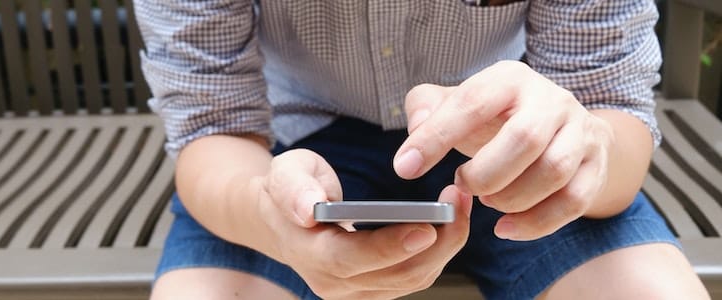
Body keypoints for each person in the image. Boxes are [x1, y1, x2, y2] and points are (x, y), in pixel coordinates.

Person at [134, 0, 711, 299]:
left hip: (515, 139)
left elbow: (608, 116)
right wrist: (264, 211)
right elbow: (212, 131)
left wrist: (581, 151)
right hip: (286, 155)